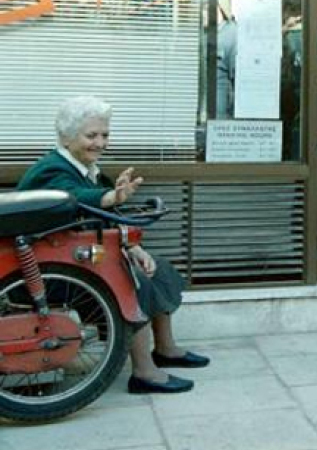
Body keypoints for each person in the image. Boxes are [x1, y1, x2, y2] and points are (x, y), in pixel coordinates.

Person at [17, 96, 209, 394]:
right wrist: (112, 197)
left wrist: (134, 248)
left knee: (159, 269)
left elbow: (108, 217)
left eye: (104, 135)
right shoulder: (51, 170)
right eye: (91, 135)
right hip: (46, 272)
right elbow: (74, 199)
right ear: (67, 137)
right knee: (132, 282)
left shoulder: (86, 169)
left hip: (76, 259)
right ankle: (144, 373)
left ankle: (166, 349)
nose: (100, 142)